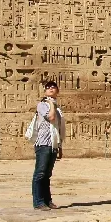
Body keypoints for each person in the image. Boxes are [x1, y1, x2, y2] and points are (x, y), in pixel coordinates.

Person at [32, 81, 65, 210]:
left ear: (57, 90)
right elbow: (51, 117)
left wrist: (60, 146)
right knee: (40, 174)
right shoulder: (42, 105)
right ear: (45, 91)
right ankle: (38, 202)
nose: (51, 89)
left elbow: (58, 128)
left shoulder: (58, 109)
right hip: (43, 143)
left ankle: (47, 200)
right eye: (48, 87)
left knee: (47, 175)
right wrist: (51, 103)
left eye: (53, 87)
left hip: (53, 143)